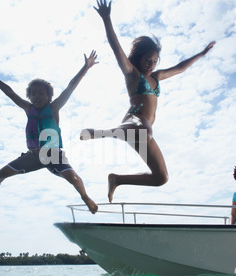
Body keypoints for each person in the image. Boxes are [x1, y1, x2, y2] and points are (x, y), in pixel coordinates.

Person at [80, 0, 216, 202]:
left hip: (141, 133)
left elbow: (180, 68)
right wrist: (107, 19)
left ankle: (117, 179)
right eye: (147, 61)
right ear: (138, 58)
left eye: (154, 61)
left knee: (161, 177)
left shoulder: (157, 77)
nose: (151, 65)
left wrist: (202, 54)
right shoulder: (132, 74)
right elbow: (116, 48)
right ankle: (103, 133)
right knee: (145, 130)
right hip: (134, 121)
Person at [0, 51, 99, 214]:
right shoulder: (28, 108)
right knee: (1, 173)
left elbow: (70, 87)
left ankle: (85, 197)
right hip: (34, 156)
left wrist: (85, 68)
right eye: (34, 93)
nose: (37, 96)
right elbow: (9, 92)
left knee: (72, 178)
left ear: (49, 96)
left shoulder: (54, 107)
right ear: (29, 97)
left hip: (54, 155)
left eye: (42, 93)